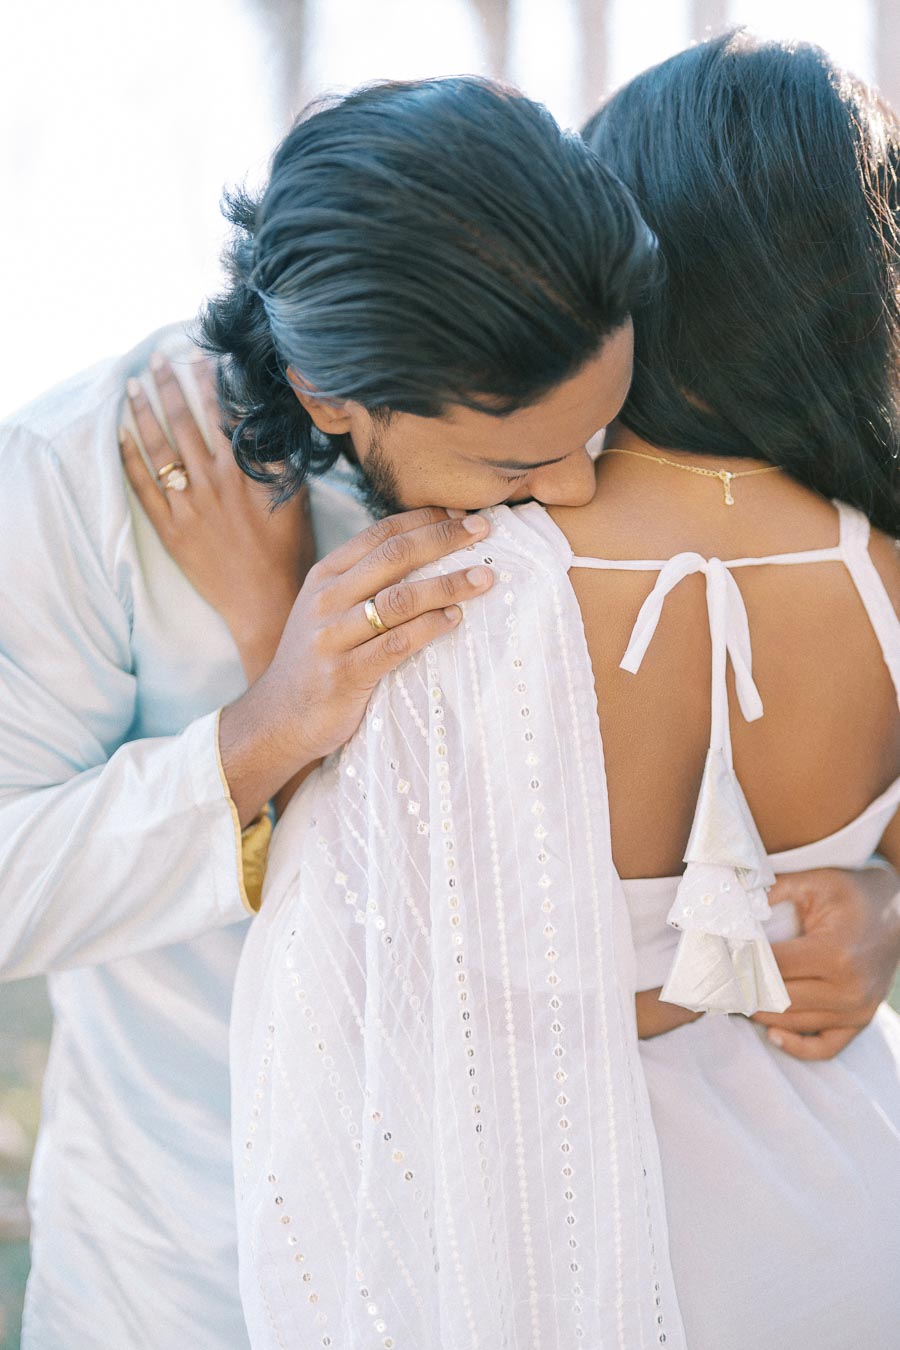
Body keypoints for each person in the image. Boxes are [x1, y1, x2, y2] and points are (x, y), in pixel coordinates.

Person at [225, 39, 900, 1349]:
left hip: (547, 1259)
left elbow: (344, 972)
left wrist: (267, 623)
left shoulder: (448, 584)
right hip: (852, 1222)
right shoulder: (884, 572)